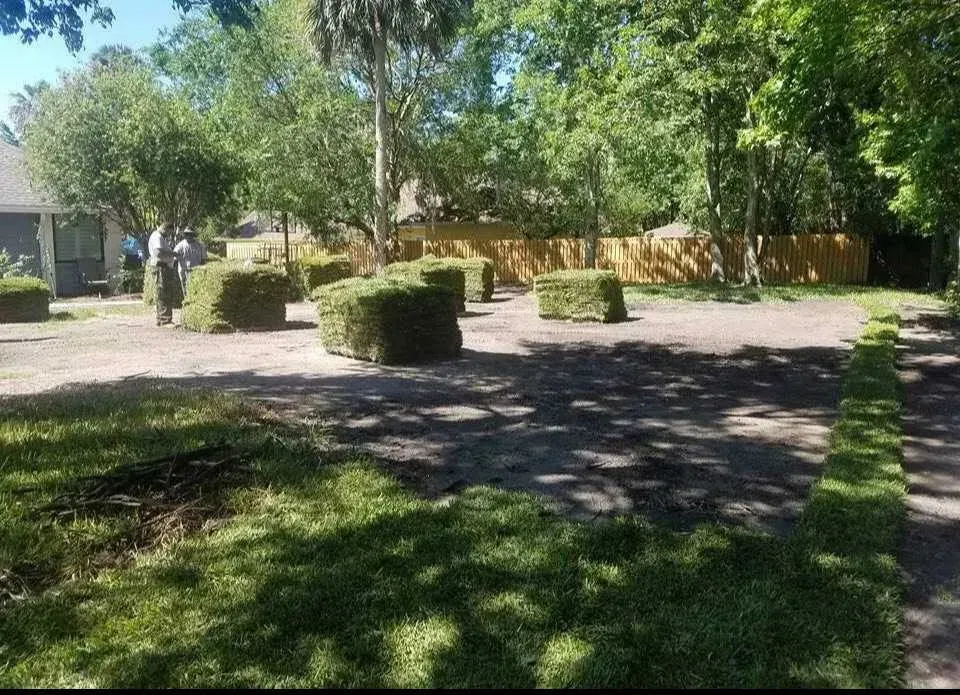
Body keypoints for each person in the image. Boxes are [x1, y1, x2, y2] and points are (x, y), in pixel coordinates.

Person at [148, 221, 178, 326]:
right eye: (169, 232)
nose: (169, 235)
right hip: (161, 267)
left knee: (163, 293)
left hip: (163, 267)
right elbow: (158, 253)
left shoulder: (158, 237)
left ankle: (162, 319)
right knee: (164, 293)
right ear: (166, 228)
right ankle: (165, 320)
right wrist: (172, 253)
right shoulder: (157, 237)